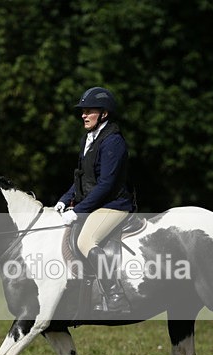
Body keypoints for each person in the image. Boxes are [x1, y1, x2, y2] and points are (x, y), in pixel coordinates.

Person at [54, 87, 136, 313]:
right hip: (95, 204)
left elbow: (106, 185)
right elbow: (83, 178)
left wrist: (79, 210)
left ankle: (115, 295)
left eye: (88, 111)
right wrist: (65, 199)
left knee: (86, 241)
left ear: (104, 114)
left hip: (114, 205)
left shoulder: (113, 142)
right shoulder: (88, 139)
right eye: (82, 111)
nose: (83, 115)